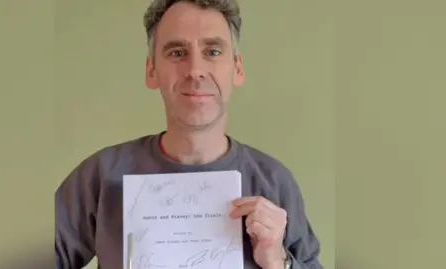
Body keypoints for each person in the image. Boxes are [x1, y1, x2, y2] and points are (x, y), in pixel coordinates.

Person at [55, 0, 323, 268]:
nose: (195, 70)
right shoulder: (100, 177)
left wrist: (279, 261)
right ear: (151, 71)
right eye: (177, 53)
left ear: (237, 68)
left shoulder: (274, 182)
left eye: (213, 51)